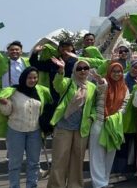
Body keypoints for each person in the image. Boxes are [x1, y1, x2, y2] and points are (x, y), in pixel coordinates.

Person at [0, 66, 52, 188]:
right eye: (29, 77)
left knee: (34, 163)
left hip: (35, 132)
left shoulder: (41, 91)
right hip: (15, 131)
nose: (32, 80)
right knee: (14, 164)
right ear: (23, 78)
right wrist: (4, 104)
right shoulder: (13, 92)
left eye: (35, 77)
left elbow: (47, 107)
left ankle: (32, 185)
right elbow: (7, 112)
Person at [48, 57, 97, 188]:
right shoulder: (68, 82)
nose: (83, 71)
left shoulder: (92, 86)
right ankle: (55, 185)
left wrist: (91, 117)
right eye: (79, 68)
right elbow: (57, 86)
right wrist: (61, 71)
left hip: (81, 128)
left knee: (77, 160)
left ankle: (74, 185)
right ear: (75, 70)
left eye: (85, 68)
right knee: (59, 159)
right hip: (64, 126)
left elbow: (93, 105)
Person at [89, 62, 129, 188]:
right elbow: (101, 89)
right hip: (100, 122)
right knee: (97, 154)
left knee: (110, 154)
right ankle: (98, 183)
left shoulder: (124, 87)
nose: (117, 74)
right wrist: (100, 81)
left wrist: (116, 116)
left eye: (119, 71)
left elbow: (125, 104)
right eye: (114, 71)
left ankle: (104, 180)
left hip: (114, 123)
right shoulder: (105, 83)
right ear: (109, 72)